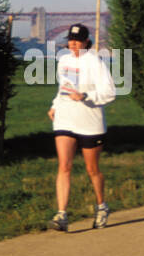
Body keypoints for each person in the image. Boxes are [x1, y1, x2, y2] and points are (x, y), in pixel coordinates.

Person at [47, 23, 116, 231]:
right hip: (65, 118)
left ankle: (102, 206)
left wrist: (86, 96)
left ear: (86, 42)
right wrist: (54, 105)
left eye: (78, 41)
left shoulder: (95, 62)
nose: (73, 44)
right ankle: (62, 215)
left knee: (92, 169)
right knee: (64, 166)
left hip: (89, 122)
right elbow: (63, 88)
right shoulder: (65, 60)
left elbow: (110, 92)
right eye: (70, 40)